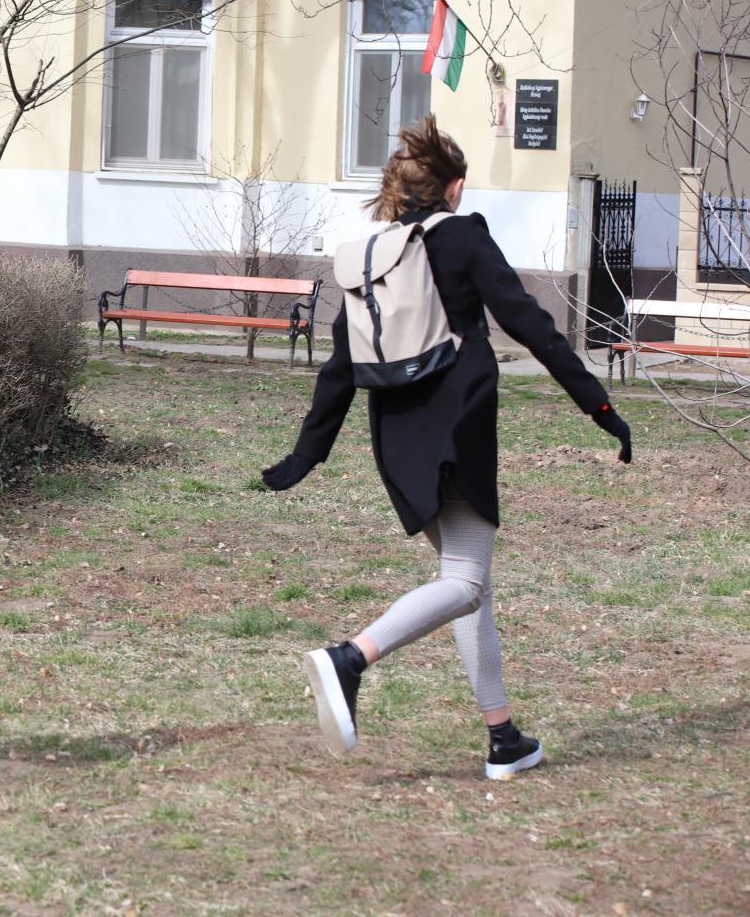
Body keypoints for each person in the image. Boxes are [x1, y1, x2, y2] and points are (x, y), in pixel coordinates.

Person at [264, 116, 632, 780]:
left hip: (395, 436)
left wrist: (306, 454)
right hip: (456, 428)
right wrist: (598, 405)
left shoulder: (375, 257)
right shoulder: (463, 238)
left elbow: (341, 367)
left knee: (469, 581)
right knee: (464, 582)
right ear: (454, 188)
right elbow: (531, 324)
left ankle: (503, 738)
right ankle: (350, 659)